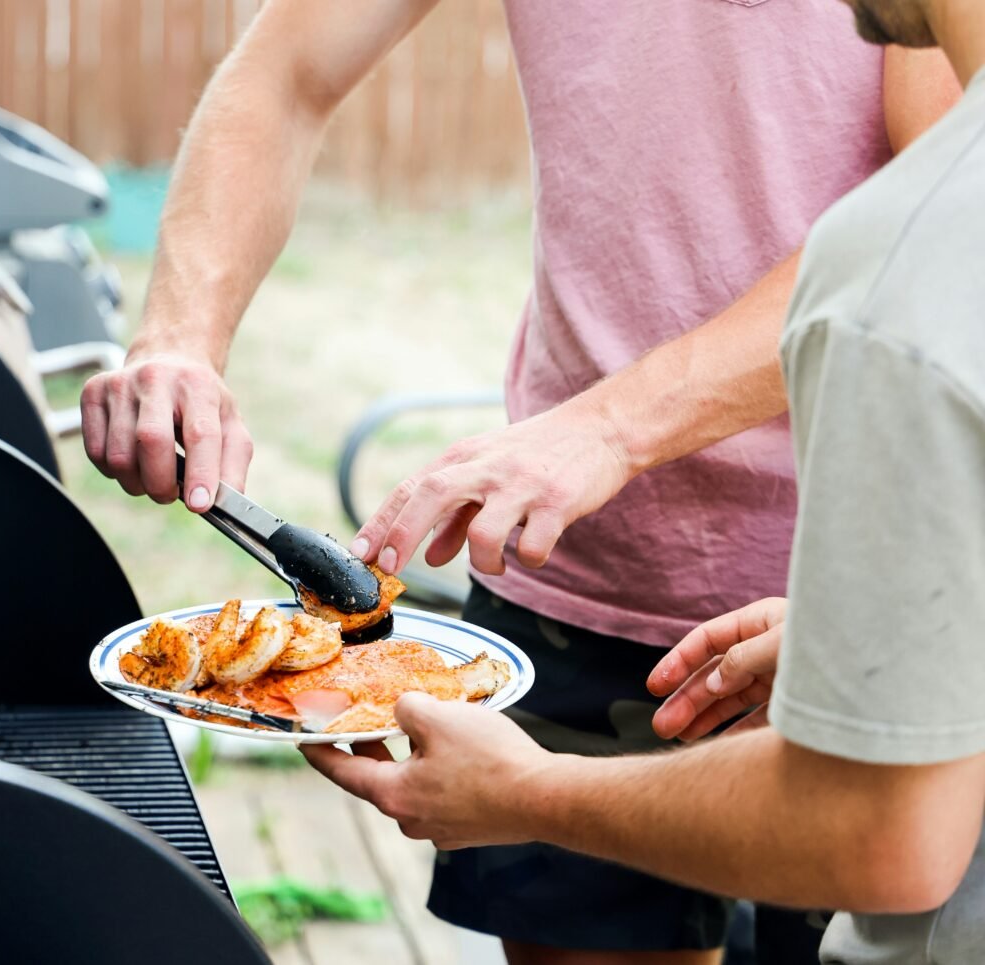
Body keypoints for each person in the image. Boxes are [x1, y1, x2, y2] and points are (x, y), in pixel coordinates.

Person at [80, 1, 958, 962]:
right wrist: (177, 342)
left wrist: (610, 428)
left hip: (851, 597)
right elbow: (286, 72)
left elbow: (934, 212)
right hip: (572, 579)